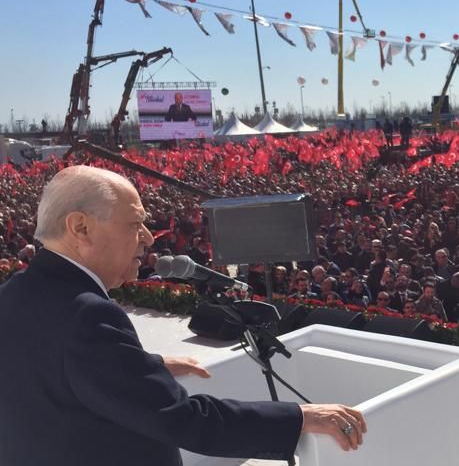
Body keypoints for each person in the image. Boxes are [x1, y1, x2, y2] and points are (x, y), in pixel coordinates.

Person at [0, 166, 367, 465]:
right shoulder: (88, 317)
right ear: (80, 228)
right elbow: (185, 420)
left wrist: (141, 365)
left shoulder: (15, 292)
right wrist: (302, 417)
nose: (147, 238)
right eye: (135, 223)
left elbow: (54, 366)